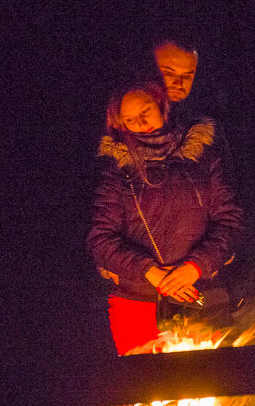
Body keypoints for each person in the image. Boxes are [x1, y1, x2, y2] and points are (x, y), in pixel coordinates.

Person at [87, 80, 242, 356]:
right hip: (136, 302)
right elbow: (100, 240)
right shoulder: (116, 167)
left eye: (145, 111)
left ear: (161, 104)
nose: (141, 123)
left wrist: (195, 266)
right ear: (120, 125)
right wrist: (152, 272)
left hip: (201, 293)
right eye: (130, 120)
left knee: (210, 389)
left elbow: (230, 221)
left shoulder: (201, 151)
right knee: (144, 393)